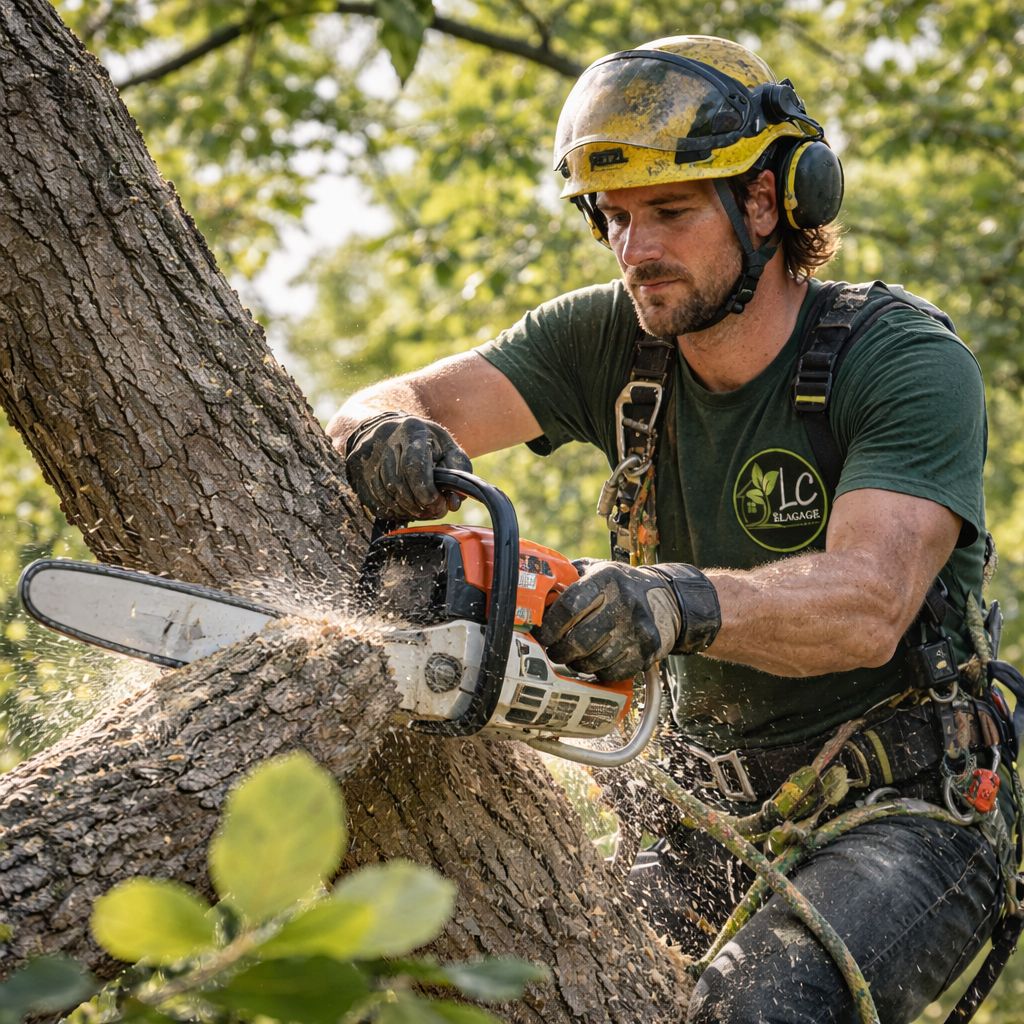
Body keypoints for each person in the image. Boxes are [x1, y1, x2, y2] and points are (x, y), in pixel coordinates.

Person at [329, 35, 1014, 1023]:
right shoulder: (608, 336)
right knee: (510, 995)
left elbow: (869, 601)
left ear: (769, 202)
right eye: (612, 217)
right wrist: (383, 431)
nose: (634, 248)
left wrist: (674, 600)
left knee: (752, 1011)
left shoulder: (897, 356)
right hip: (702, 817)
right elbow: (394, 395)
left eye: (669, 211)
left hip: (904, 810)